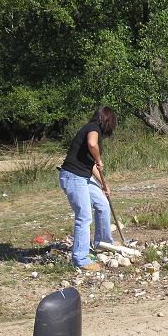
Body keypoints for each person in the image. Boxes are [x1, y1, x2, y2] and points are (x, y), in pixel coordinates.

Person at [59, 107, 117, 270]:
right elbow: (92, 144)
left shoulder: (92, 129)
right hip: (73, 177)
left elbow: (90, 164)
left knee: (103, 204)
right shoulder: (93, 128)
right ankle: (80, 259)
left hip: (82, 177)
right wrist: (98, 158)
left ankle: (102, 243)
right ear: (107, 120)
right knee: (84, 217)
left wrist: (104, 185)